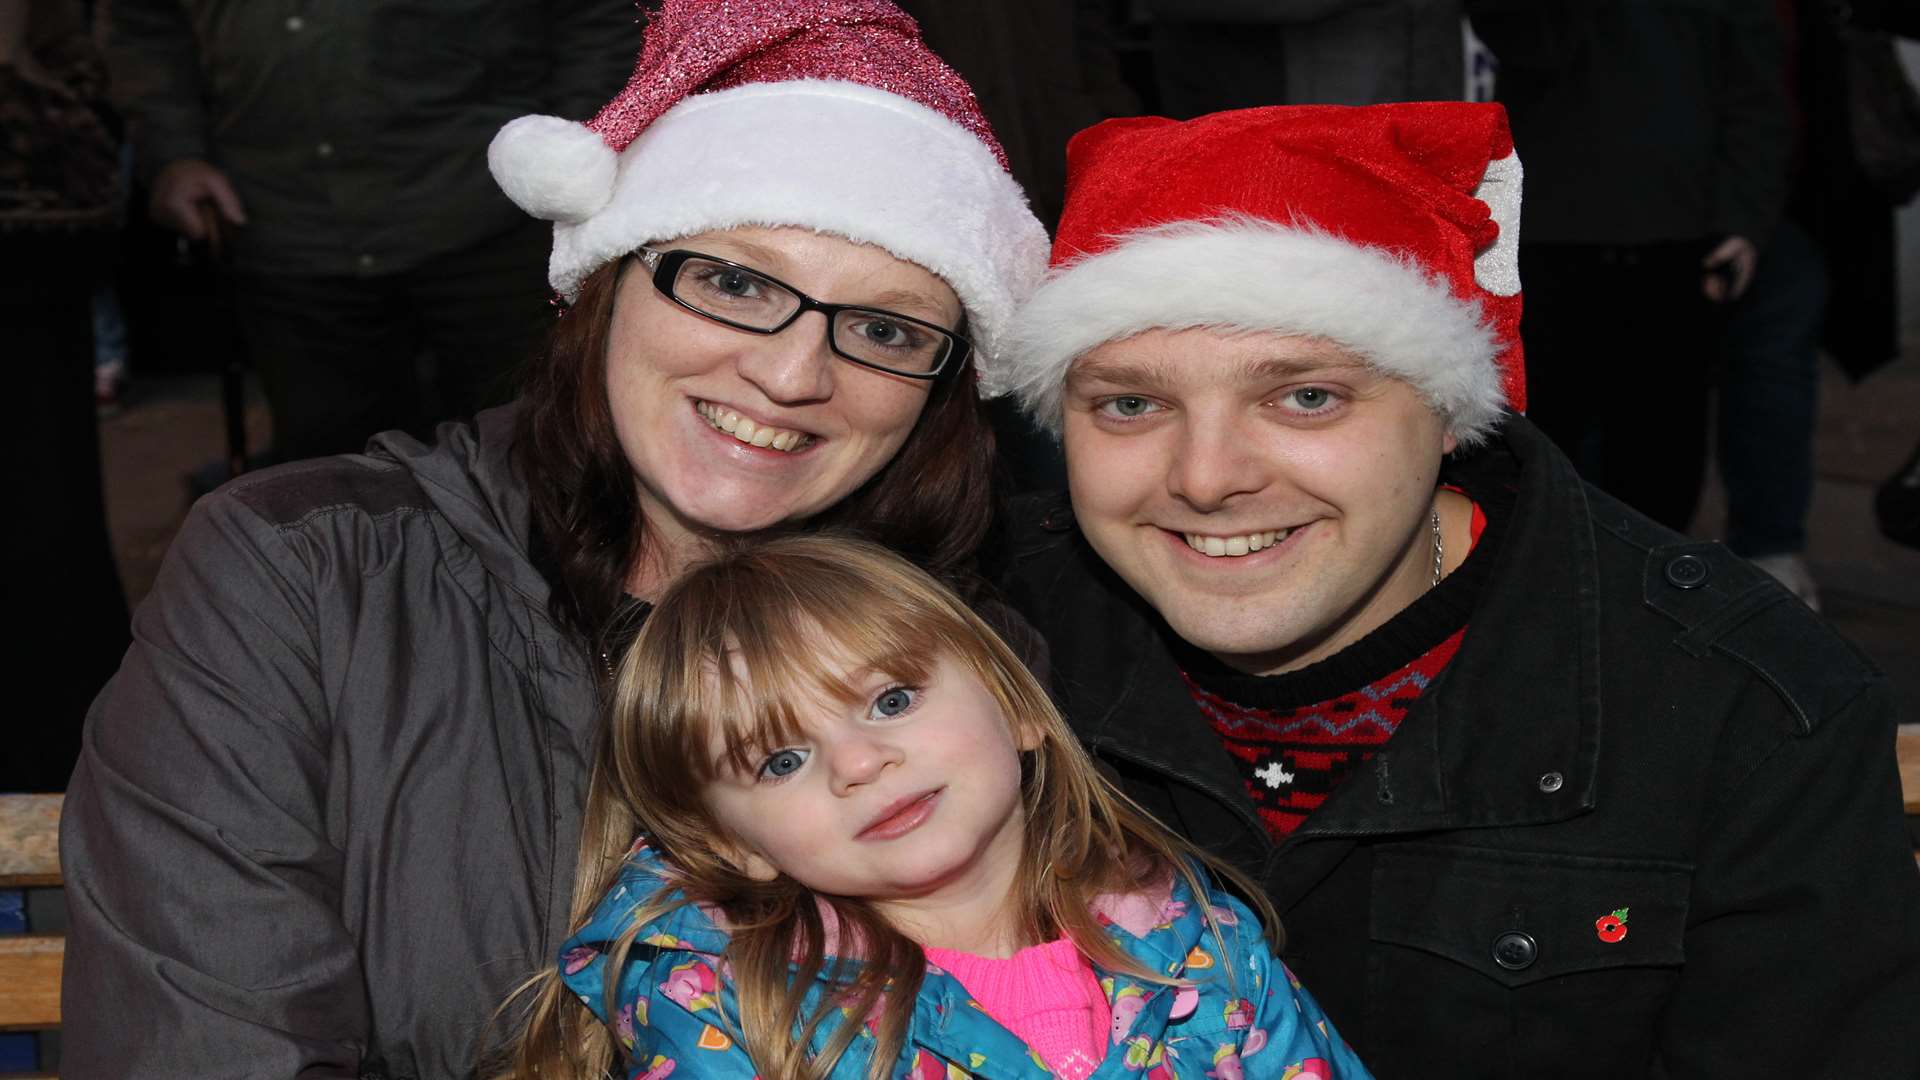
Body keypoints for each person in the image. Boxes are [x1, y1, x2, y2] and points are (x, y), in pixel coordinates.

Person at [57, 2, 1050, 1075]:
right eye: (734, 281)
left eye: (886, 330)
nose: (793, 373)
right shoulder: (298, 574)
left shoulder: (964, 663)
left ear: (944, 393)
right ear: (604, 282)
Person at [992, 102, 1920, 1077]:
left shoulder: (1746, 711)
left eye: (1305, 396)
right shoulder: (984, 634)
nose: (1207, 477)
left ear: (1446, 414)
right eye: (1131, 404)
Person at [500, 535, 1369, 1080]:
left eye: (890, 702)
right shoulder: (716, 1003)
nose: (860, 762)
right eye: (782, 759)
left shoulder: (1205, 943)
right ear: (731, 844)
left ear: (1018, 706)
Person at [105, 0, 636, 461]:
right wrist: (174, 154)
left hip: (490, 209)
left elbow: (595, 19)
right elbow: (147, 26)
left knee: (532, 442)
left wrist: (577, 146)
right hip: (281, 218)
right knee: (329, 464)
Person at [1465, 0, 1790, 533]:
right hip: (1550, 234)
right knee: (1544, 434)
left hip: (1675, 238)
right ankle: (1545, 575)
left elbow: (1754, 92)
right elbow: (1526, 40)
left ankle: (1649, 588)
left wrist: (1743, 219)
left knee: (1660, 440)